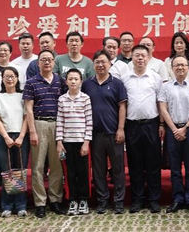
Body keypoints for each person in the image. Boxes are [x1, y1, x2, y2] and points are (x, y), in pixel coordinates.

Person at [82, 50, 128, 214]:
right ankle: (102, 200)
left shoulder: (117, 83)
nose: (100, 65)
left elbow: (122, 106)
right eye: (97, 62)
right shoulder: (87, 84)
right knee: (98, 170)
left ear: (109, 64)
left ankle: (119, 201)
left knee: (118, 170)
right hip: (95, 135)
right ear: (93, 65)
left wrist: (121, 129)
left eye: (103, 62)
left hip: (114, 133)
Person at [159, 55, 189, 214]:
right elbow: (163, 109)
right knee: (175, 168)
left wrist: (185, 128)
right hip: (172, 130)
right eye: (177, 65)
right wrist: (174, 129)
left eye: (183, 65)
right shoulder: (165, 87)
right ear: (172, 68)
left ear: (188, 67)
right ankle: (177, 199)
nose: (180, 68)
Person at [121, 44, 164, 214]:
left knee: (153, 163)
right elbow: (122, 104)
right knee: (135, 164)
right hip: (132, 126)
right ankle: (137, 199)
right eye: (137, 55)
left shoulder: (155, 77)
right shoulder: (124, 78)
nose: (140, 58)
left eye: (143, 55)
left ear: (148, 58)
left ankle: (154, 199)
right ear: (131, 58)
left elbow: (160, 102)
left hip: (151, 124)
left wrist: (161, 124)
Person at [24, 49, 66, 218]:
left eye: (50, 59)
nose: (47, 62)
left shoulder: (60, 81)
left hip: (57, 124)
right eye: (43, 59)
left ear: (54, 62)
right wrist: (32, 131)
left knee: (57, 166)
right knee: (38, 166)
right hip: (39, 124)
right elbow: (28, 108)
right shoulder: (31, 82)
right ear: (38, 63)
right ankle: (40, 203)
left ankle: (55, 200)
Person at [0, 66, 30, 218]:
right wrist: (6, 137)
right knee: (7, 172)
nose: (9, 79)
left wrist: (21, 136)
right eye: (6, 76)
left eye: (12, 76)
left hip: (21, 136)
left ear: (17, 78)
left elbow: (27, 117)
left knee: (20, 171)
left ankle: (21, 205)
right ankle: (7, 206)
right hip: (4, 137)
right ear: (2, 79)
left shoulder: (22, 96)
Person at [56, 69, 93, 215]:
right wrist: (59, 141)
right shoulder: (62, 99)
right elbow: (60, 121)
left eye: (76, 79)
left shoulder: (85, 98)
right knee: (70, 172)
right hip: (67, 142)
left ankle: (83, 200)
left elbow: (89, 122)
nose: (73, 81)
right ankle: (72, 200)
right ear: (66, 81)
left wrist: (86, 142)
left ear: (81, 82)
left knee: (83, 172)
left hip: (81, 141)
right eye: (70, 79)